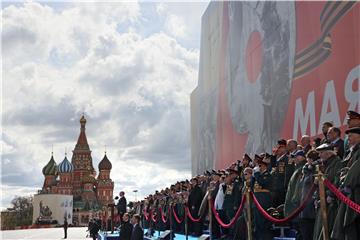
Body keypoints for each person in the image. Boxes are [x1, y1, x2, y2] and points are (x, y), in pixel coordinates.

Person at [332, 127, 360, 240]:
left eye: (351, 136)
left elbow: (355, 171)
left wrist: (345, 183)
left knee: (353, 226)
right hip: (349, 196)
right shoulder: (351, 152)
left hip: (356, 195)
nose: (348, 139)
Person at [313, 143, 343, 240]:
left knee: (327, 230)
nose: (319, 155)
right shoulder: (323, 165)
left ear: (329, 153)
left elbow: (336, 180)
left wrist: (330, 195)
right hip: (322, 201)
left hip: (331, 203)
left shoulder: (337, 163)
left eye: (321, 153)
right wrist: (316, 198)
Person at [251, 157, 273, 240]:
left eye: (260, 165)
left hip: (264, 201)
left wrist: (256, 174)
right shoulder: (258, 176)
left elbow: (262, 183)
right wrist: (253, 177)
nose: (258, 167)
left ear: (264, 166)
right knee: (257, 223)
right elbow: (253, 188)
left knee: (263, 223)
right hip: (257, 201)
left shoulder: (268, 175)